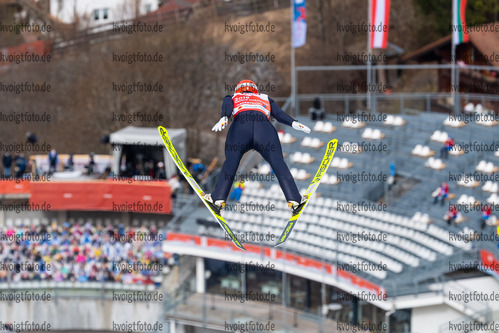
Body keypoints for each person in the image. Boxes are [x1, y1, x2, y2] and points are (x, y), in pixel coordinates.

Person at [203, 79, 311, 215]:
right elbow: (279, 115)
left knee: (230, 163)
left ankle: (218, 199)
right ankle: (294, 200)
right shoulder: (265, 98)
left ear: (239, 89)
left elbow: (227, 106)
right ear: (255, 90)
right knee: (278, 164)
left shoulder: (233, 97)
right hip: (264, 130)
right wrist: (294, 123)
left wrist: (224, 117)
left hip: (241, 128)